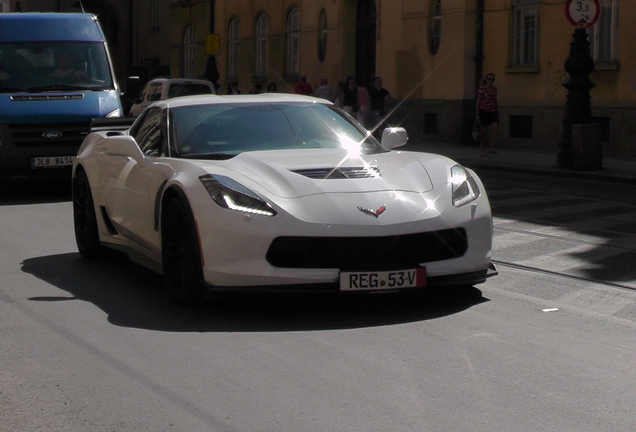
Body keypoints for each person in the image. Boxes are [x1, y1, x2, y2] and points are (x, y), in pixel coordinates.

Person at [476, 72, 499, 157]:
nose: (491, 80)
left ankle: (491, 148)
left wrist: (496, 109)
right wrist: (477, 114)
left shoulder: (494, 89)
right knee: (483, 132)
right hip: (483, 111)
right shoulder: (482, 89)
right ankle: (482, 150)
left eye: (493, 79)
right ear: (486, 79)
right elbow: (478, 101)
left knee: (496, 129)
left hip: (493, 111)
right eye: (489, 79)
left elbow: (495, 100)